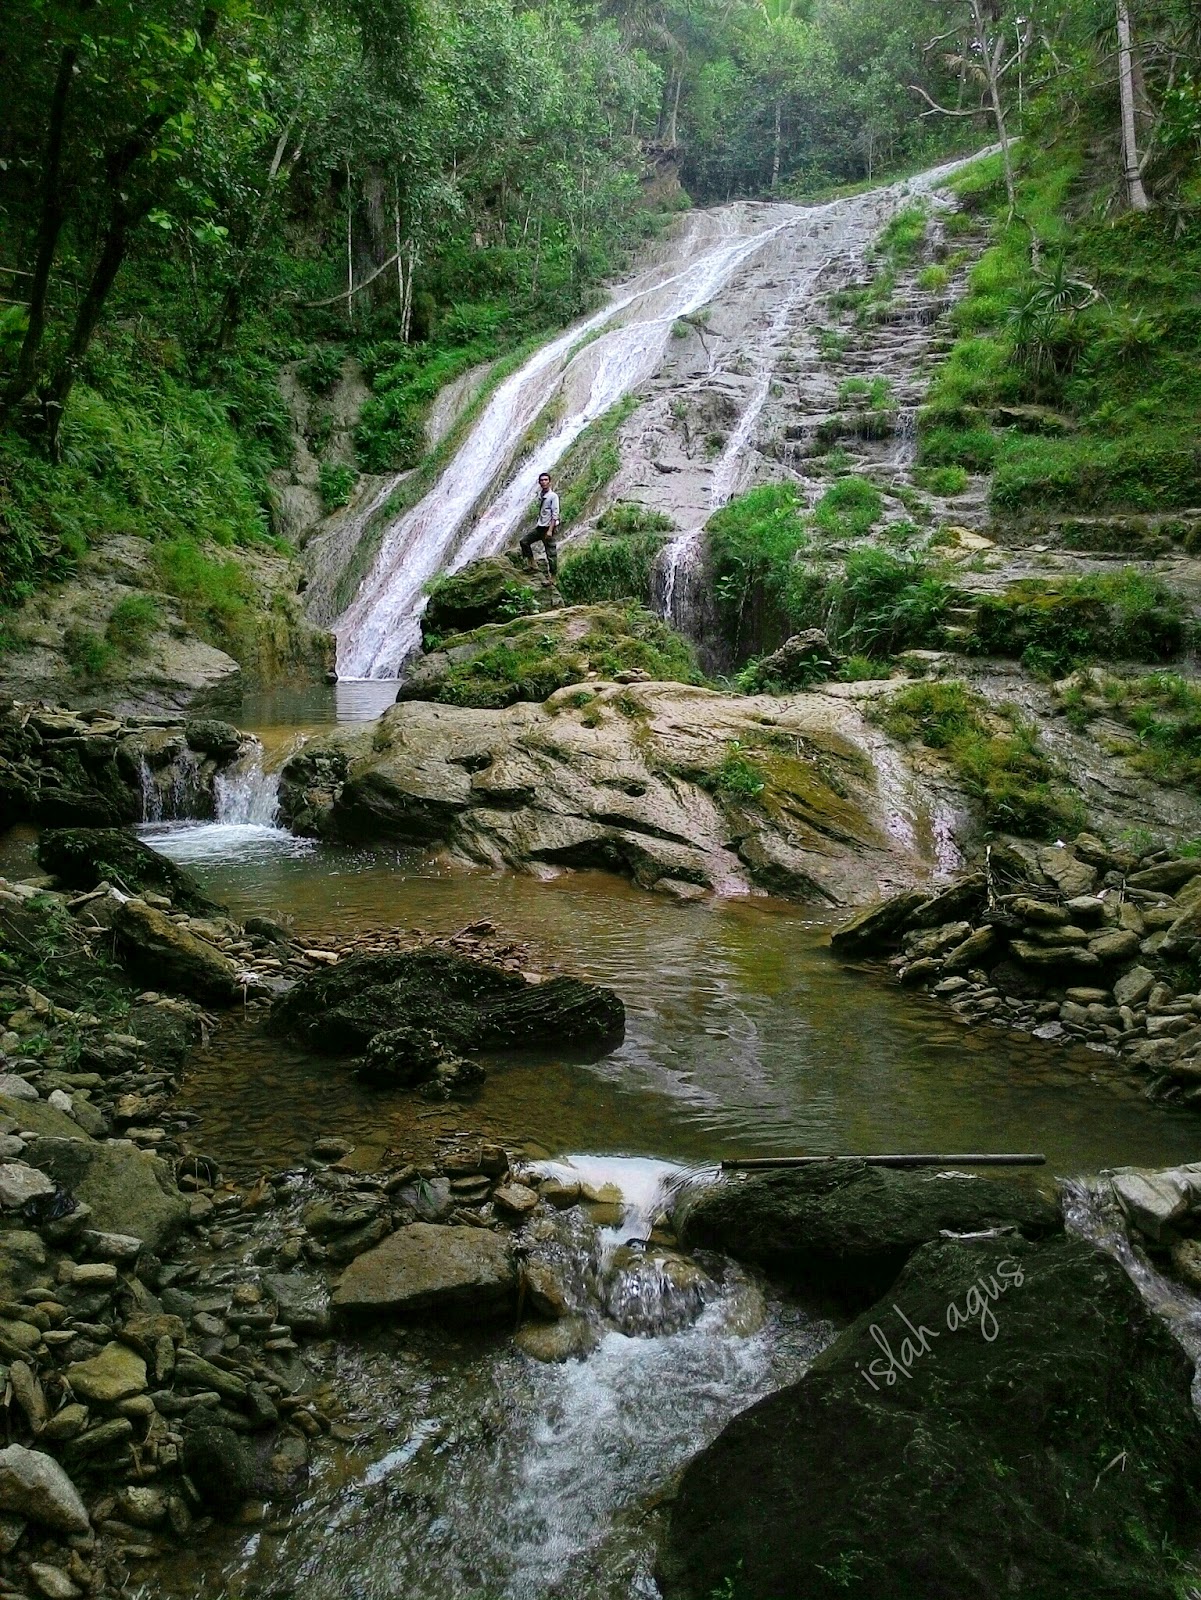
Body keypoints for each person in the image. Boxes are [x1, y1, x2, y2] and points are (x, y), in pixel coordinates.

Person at [520, 471, 560, 576]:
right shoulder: (541, 495)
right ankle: (532, 564)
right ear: (539, 482)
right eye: (541, 480)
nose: (543, 482)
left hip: (548, 528)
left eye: (546, 480)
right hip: (540, 527)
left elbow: (555, 515)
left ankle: (553, 578)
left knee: (551, 554)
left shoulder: (553, 496)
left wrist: (550, 530)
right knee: (524, 542)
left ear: (550, 482)